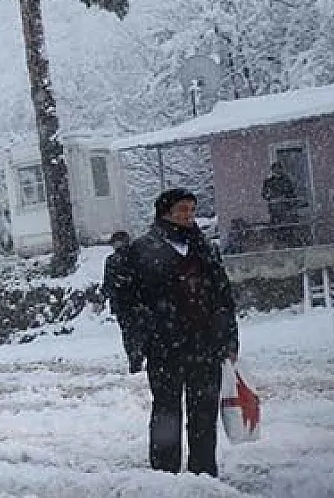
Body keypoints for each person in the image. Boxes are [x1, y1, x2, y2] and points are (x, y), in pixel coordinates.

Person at [125, 188, 239, 477]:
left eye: (191, 209)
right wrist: (140, 342)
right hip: (165, 347)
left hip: (204, 344)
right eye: (182, 210)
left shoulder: (205, 248)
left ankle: (203, 473)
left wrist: (228, 337)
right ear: (166, 213)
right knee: (167, 412)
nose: (188, 216)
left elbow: (223, 296)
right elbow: (131, 303)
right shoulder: (143, 250)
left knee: (204, 412)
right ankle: (165, 474)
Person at [100, 230, 141, 373]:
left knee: (130, 333)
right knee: (135, 332)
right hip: (133, 303)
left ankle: (135, 358)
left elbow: (108, 284)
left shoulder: (115, 260)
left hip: (127, 303)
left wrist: (108, 292)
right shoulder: (133, 257)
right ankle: (137, 357)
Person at [261, 161, 299, 227]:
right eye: (274, 169)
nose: (276, 171)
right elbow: (264, 193)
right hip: (274, 208)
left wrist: (286, 198)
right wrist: (270, 197)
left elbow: (291, 193)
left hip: (285, 208)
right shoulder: (269, 181)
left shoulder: (286, 180)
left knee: (287, 226)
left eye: (278, 169)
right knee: (276, 226)